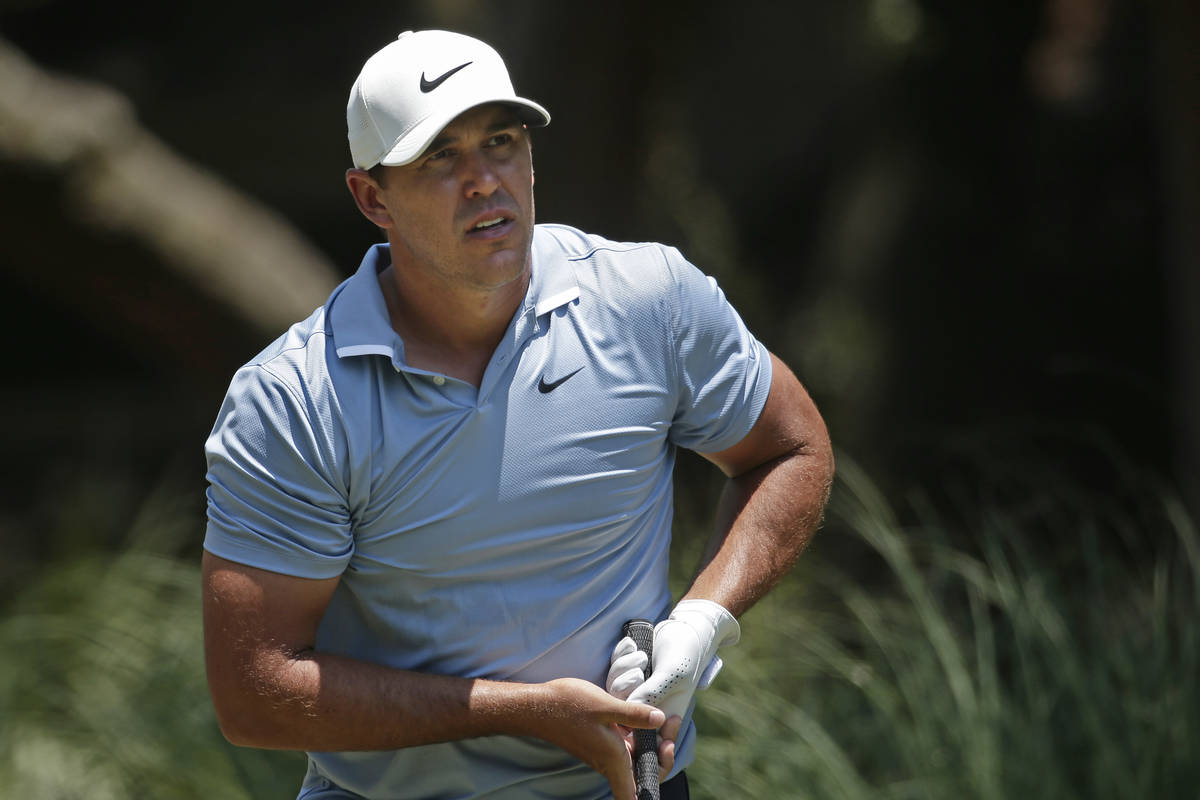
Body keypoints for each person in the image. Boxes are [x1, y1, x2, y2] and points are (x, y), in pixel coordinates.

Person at [201, 29, 833, 800]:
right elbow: (254, 693)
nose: (482, 181)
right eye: (440, 156)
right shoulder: (294, 400)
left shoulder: (648, 302)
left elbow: (791, 449)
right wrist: (530, 713)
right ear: (373, 199)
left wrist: (703, 621)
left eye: (500, 141)